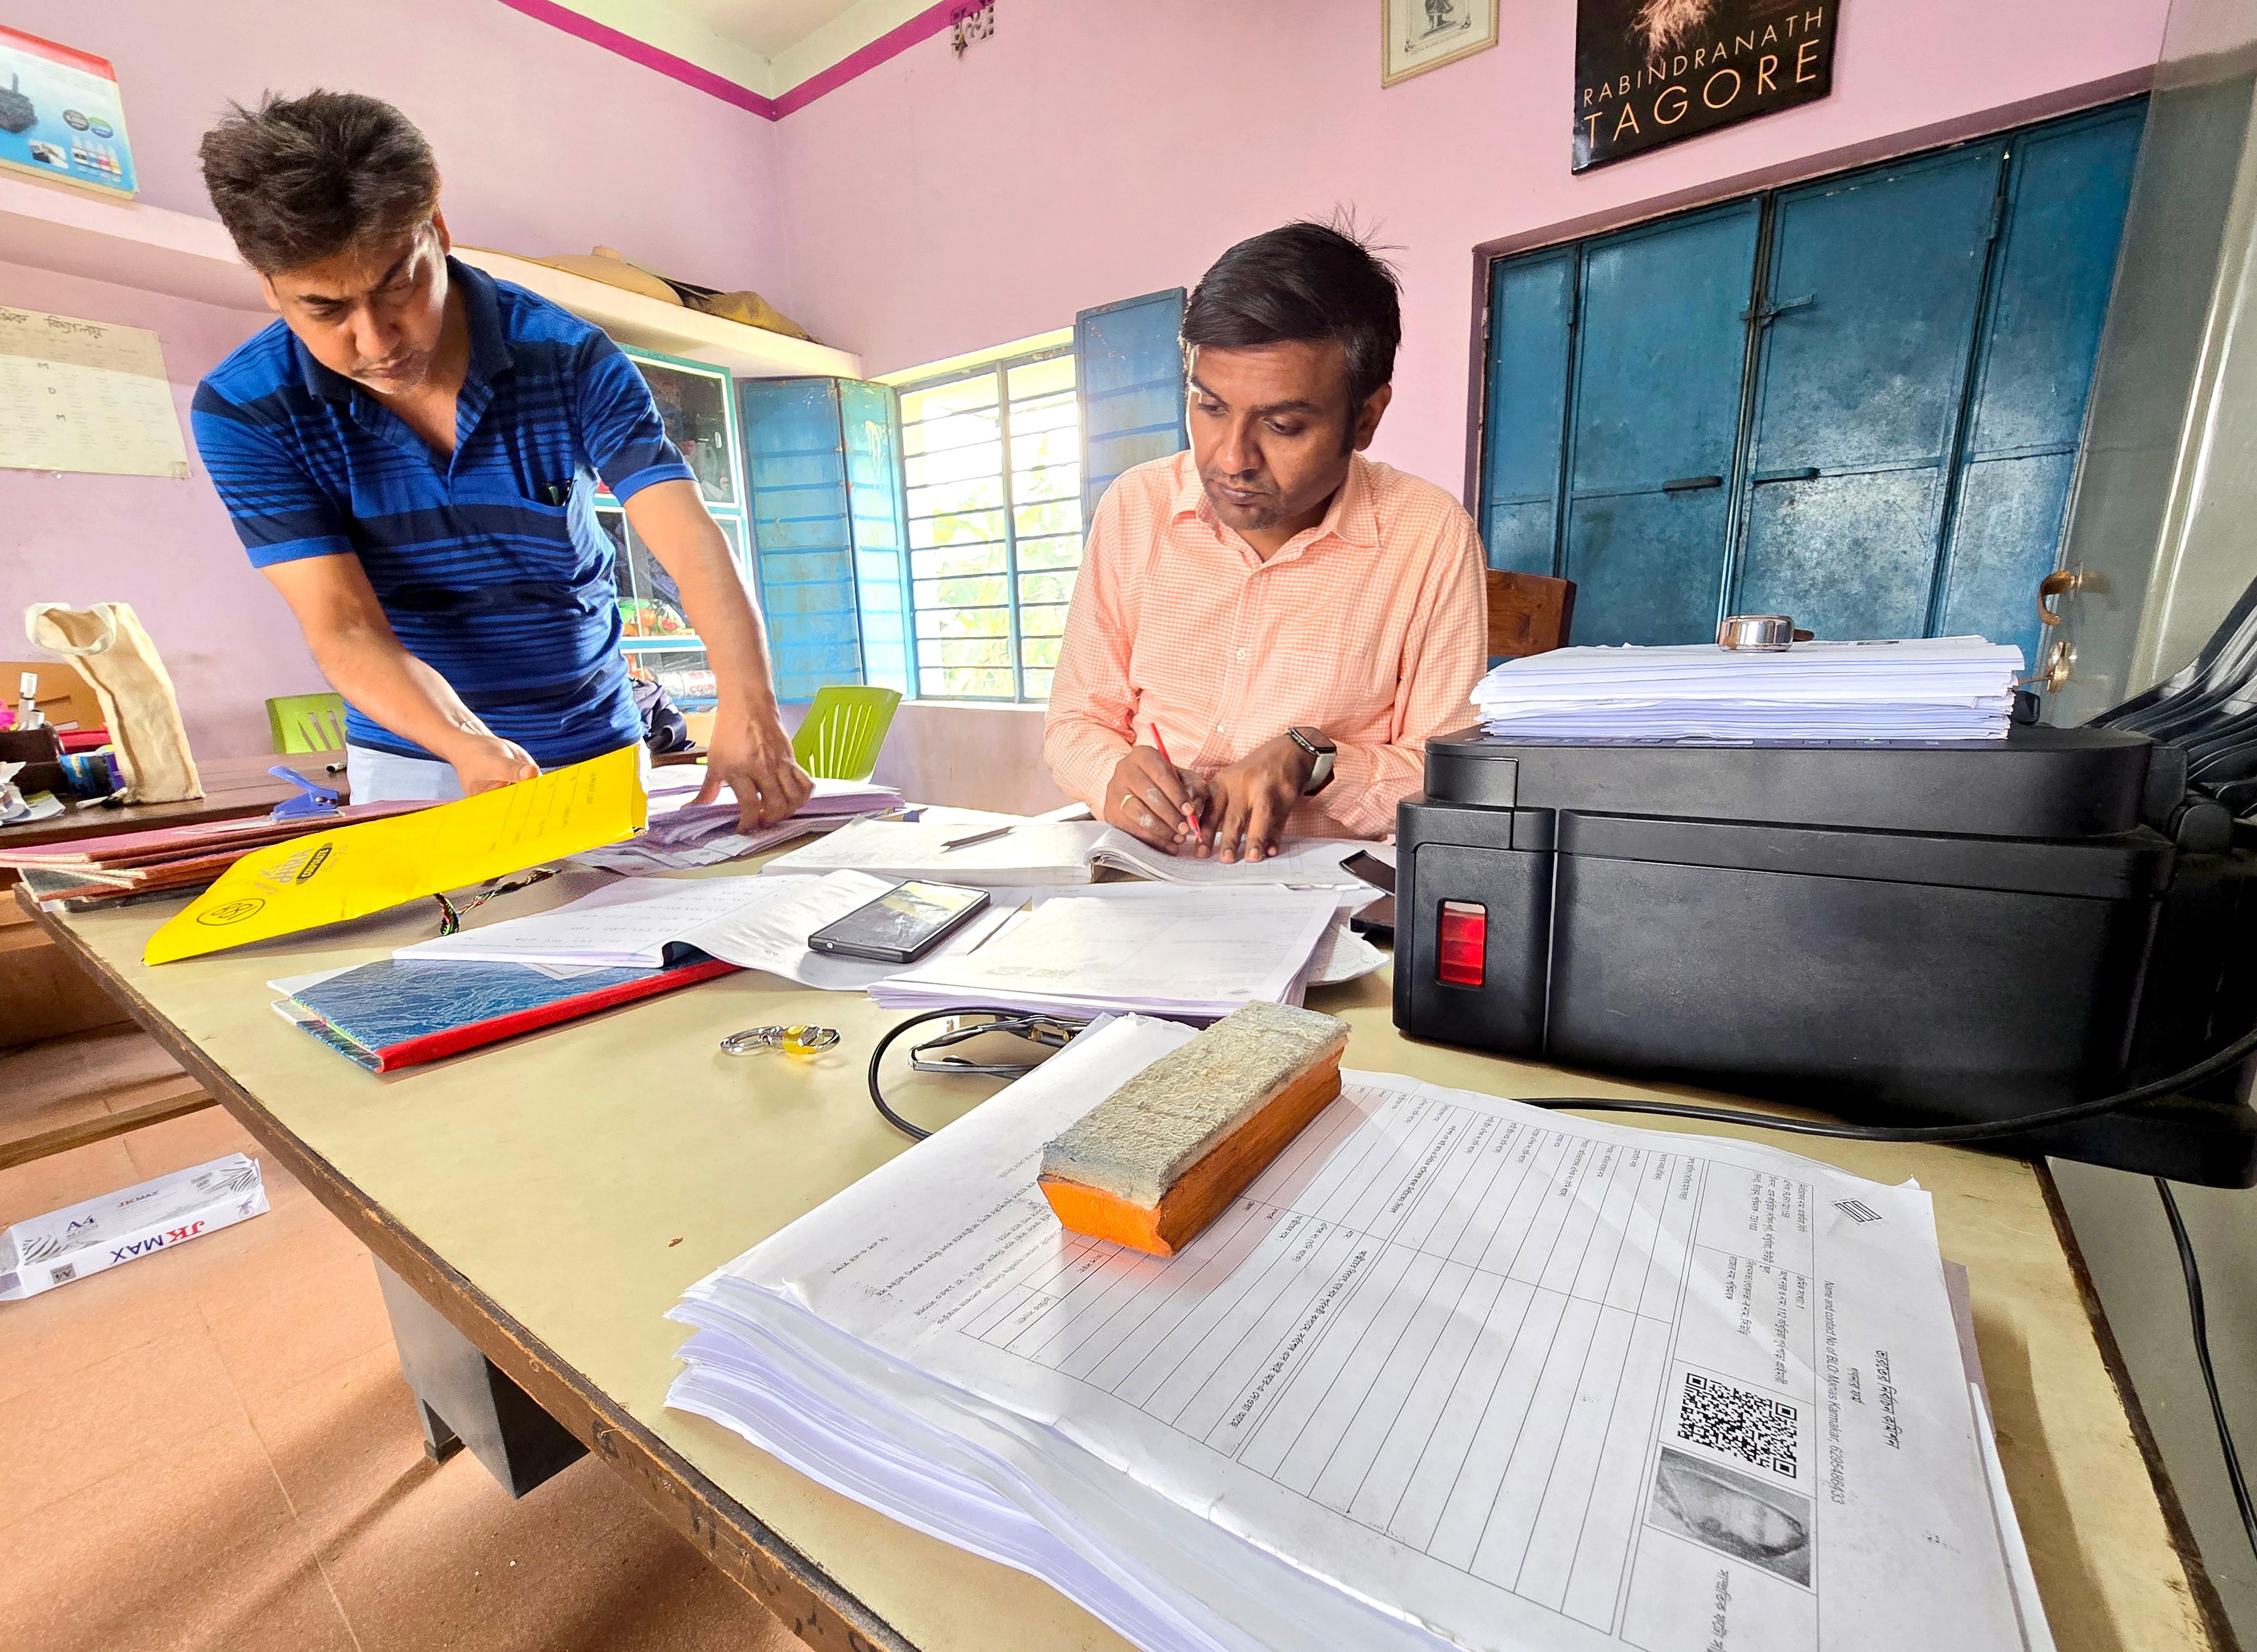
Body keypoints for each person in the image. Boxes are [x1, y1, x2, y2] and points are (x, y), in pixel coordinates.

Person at [190, 91, 811, 824]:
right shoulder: (246, 409)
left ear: (439, 230)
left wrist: (748, 700)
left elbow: (688, 539)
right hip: (415, 757)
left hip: (597, 740)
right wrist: (463, 743)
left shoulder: (570, 357)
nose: (378, 340)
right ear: (268, 286)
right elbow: (344, 625)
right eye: (325, 310)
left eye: (399, 284)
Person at [1043, 222, 1485, 862]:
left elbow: (1452, 777)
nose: (1231, 458)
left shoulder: (1430, 534)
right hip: (1144, 874)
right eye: (1210, 407)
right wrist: (1115, 777)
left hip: (1328, 895)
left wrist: (1318, 760)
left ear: (1365, 418)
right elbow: (1076, 721)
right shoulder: (1136, 507)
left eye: (1281, 425)